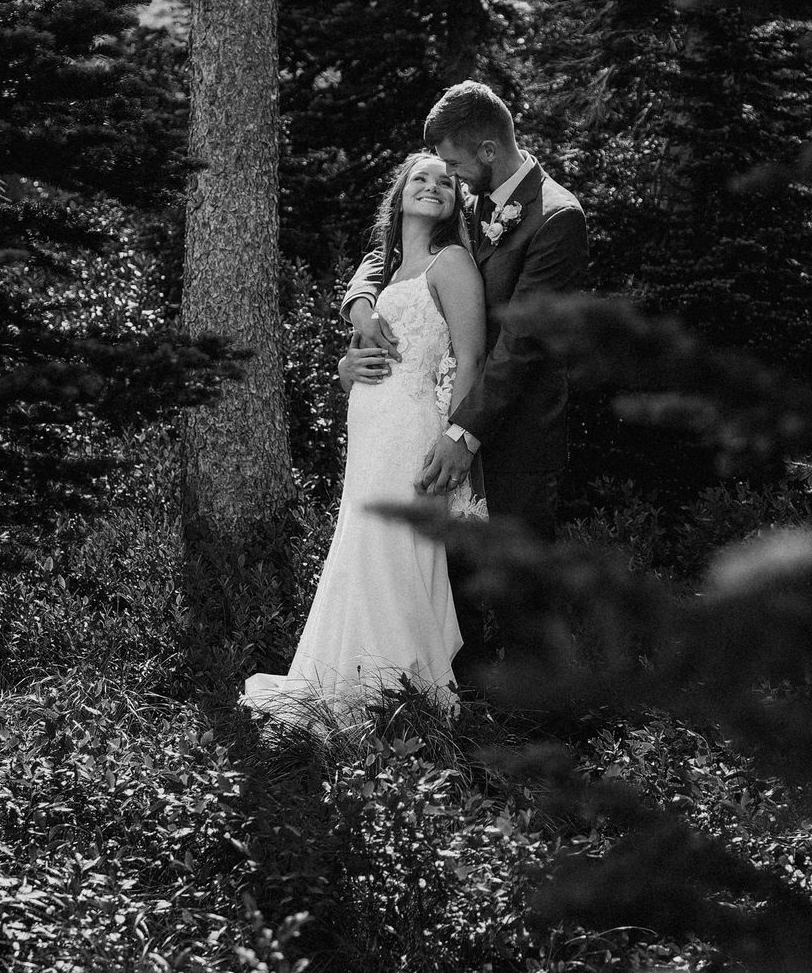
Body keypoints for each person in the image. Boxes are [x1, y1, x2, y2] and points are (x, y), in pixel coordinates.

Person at [242, 152, 486, 729]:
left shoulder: (451, 263)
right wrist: (346, 369)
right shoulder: (387, 270)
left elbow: (471, 357)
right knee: (361, 550)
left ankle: (404, 695)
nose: (432, 187)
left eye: (445, 182)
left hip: (412, 432)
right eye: (420, 179)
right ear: (399, 193)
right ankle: (351, 684)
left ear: (456, 203)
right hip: (371, 436)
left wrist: (459, 437)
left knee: (396, 552)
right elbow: (370, 337)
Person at [341, 83, 587, 541]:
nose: (449, 177)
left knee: (521, 599)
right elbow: (394, 251)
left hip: (515, 443)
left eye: (454, 165)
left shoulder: (556, 218)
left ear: (489, 150)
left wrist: (462, 434)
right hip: (440, 429)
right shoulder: (470, 201)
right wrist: (360, 302)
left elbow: (521, 345)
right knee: (452, 600)